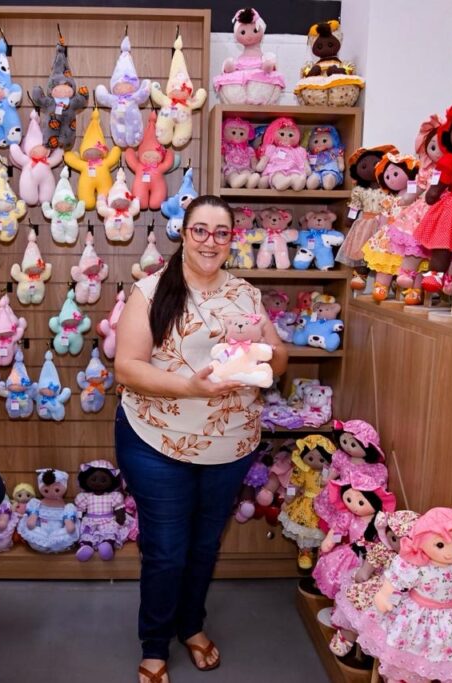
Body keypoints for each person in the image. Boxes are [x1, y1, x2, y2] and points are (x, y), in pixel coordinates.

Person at [114, 195, 288, 683]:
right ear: (184, 234)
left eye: (221, 232)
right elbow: (126, 367)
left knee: (205, 545)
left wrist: (266, 352)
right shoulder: (151, 291)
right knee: (167, 549)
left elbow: (278, 359)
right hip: (156, 441)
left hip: (230, 445)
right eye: (201, 230)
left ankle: (190, 624)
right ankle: (154, 644)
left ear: (232, 239)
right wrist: (190, 387)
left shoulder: (246, 294)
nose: (211, 241)